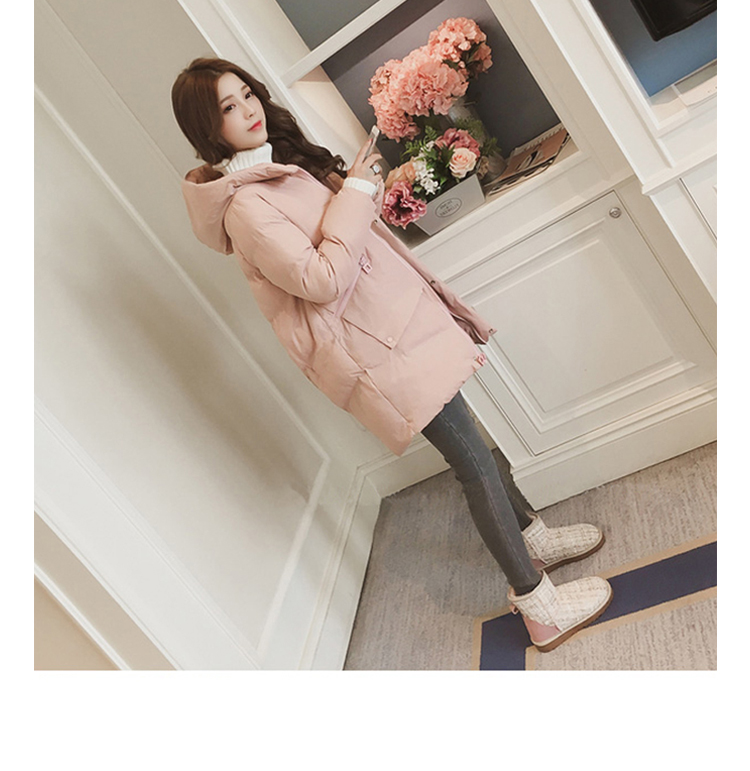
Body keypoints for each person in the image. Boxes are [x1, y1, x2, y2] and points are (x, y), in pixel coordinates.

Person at [171, 57, 613, 652]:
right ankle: (539, 604)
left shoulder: (277, 167)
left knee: (477, 446)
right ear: (207, 127)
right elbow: (322, 279)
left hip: (398, 327)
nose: (248, 110)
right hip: (375, 351)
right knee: (474, 464)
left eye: (247, 94)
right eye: (228, 106)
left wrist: (357, 185)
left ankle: (531, 536)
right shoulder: (246, 208)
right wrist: (355, 190)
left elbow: (347, 243)